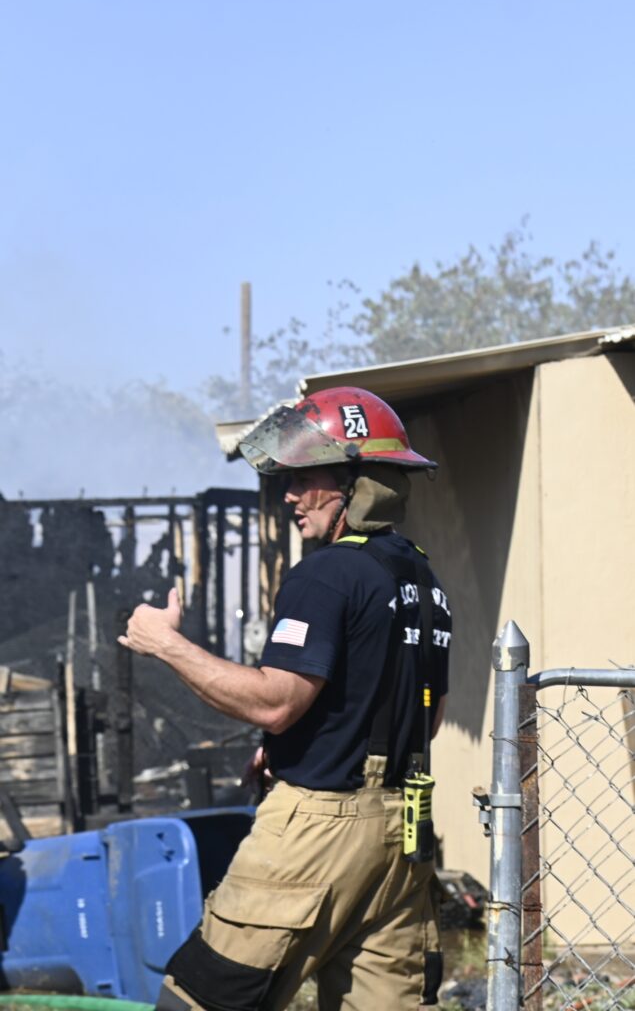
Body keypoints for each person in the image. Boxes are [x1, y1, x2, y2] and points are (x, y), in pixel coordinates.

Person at [119, 386, 452, 1011]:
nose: (290, 495)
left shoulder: (326, 574)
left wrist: (165, 644)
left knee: (198, 1001)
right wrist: (298, 746)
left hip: (316, 833)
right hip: (403, 843)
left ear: (358, 482)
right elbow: (423, 718)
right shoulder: (424, 580)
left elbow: (276, 702)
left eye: (305, 479)